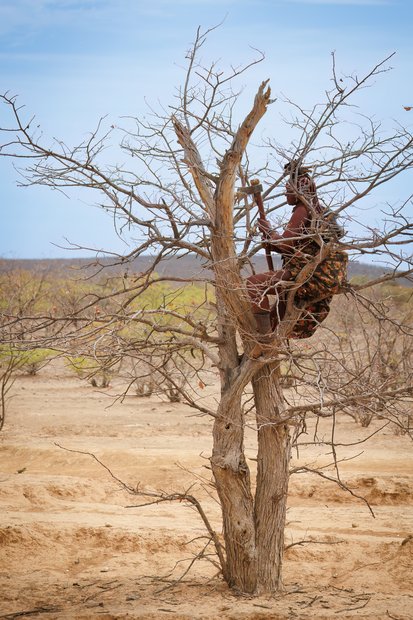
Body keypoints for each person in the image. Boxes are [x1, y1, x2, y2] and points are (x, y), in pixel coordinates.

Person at [246, 163, 347, 355]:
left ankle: (265, 341)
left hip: (306, 274)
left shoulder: (303, 209)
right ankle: (267, 340)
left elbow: (286, 245)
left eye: (288, 190)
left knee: (253, 285)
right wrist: (271, 240)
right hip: (311, 274)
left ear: (299, 190)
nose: (286, 195)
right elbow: (293, 247)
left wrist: (269, 232)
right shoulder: (316, 209)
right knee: (275, 315)